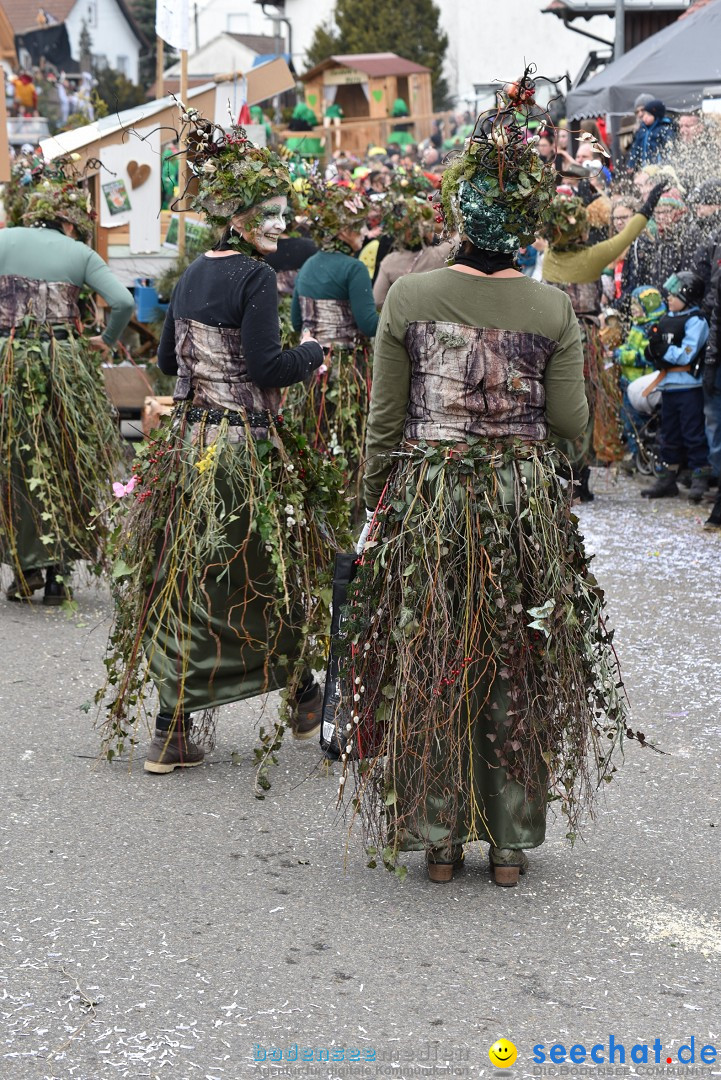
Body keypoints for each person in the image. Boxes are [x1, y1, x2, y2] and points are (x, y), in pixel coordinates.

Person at [336, 74, 631, 887]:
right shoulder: (550, 309)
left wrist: (372, 500)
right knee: (515, 656)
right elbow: (571, 431)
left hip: (428, 495)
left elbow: (384, 422)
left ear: (462, 219)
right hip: (517, 503)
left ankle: (437, 839)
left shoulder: (411, 295)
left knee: (428, 652)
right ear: (524, 225)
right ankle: (506, 846)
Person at [98, 119, 350, 773]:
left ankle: (264, 704)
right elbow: (267, 368)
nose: (278, 219)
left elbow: (163, 358)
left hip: (186, 449)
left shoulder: (188, 278)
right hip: (237, 451)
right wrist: (311, 354)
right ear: (236, 216)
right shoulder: (256, 278)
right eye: (267, 210)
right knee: (252, 576)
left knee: (197, 578)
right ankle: (226, 712)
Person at [0, 173, 133, 604]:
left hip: (7, 363)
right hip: (63, 367)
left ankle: (24, 570)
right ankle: (57, 574)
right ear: (72, 223)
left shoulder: (4, 239)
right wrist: (106, 341)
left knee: (14, 463)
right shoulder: (79, 252)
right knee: (65, 462)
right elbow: (125, 302)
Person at [541, 180, 668, 494]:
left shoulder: (548, 261)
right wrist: (649, 202)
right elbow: (628, 234)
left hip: (549, 339)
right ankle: (580, 476)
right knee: (585, 404)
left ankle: (558, 465)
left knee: (551, 400)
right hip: (581, 340)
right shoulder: (592, 258)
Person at [289, 182, 378, 504]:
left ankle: (316, 500)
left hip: (311, 368)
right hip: (347, 370)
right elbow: (369, 325)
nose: (365, 233)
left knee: (316, 435)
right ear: (343, 232)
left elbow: (297, 322)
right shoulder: (353, 269)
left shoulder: (310, 265)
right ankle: (348, 502)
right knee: (349, 439)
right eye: (358, 227)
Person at [640, 271, 710, 502]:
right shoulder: (667, 318)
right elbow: (660, 347)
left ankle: (699, 476)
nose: (668, 298)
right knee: (668, 434)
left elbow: (685, 355)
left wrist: (664, 351)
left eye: (674, 295)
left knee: (693, 433)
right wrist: (651, 349)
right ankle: (667, 478)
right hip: (668, 386)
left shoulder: (696, 321)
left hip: (689, 387)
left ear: (688, 297)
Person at [626, 100, 674, 172]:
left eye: (648, 115)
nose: (644, 117)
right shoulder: (642, 130)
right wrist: (631, 163)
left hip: (657, 165)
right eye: (644, 114)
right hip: (644, 165)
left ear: (656, 116)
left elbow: (668, 146)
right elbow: (635, 148)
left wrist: (666, 162)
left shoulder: (663, 129)